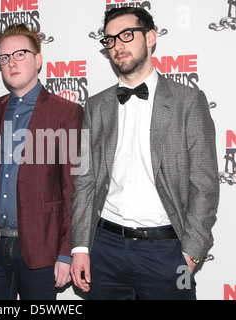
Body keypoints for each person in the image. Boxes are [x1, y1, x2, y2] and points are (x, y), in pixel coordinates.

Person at [70, 7, 219, 300]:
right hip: (105, 247)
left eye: (127, 35)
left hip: (167, 252)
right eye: (110, 39)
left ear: (150, 38)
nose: (118, 45)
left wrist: (190, 255)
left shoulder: (188, 102)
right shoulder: (96, 107)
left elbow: (205, 186)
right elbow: (84, 183)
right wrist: (80, 248)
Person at [0, 23, 83, 300]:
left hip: (41, 248)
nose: (11, 63)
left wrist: (68, 251)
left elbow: (73, 190)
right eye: (4, 58)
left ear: (38, 60)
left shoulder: (69, 112)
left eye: (20, 54)